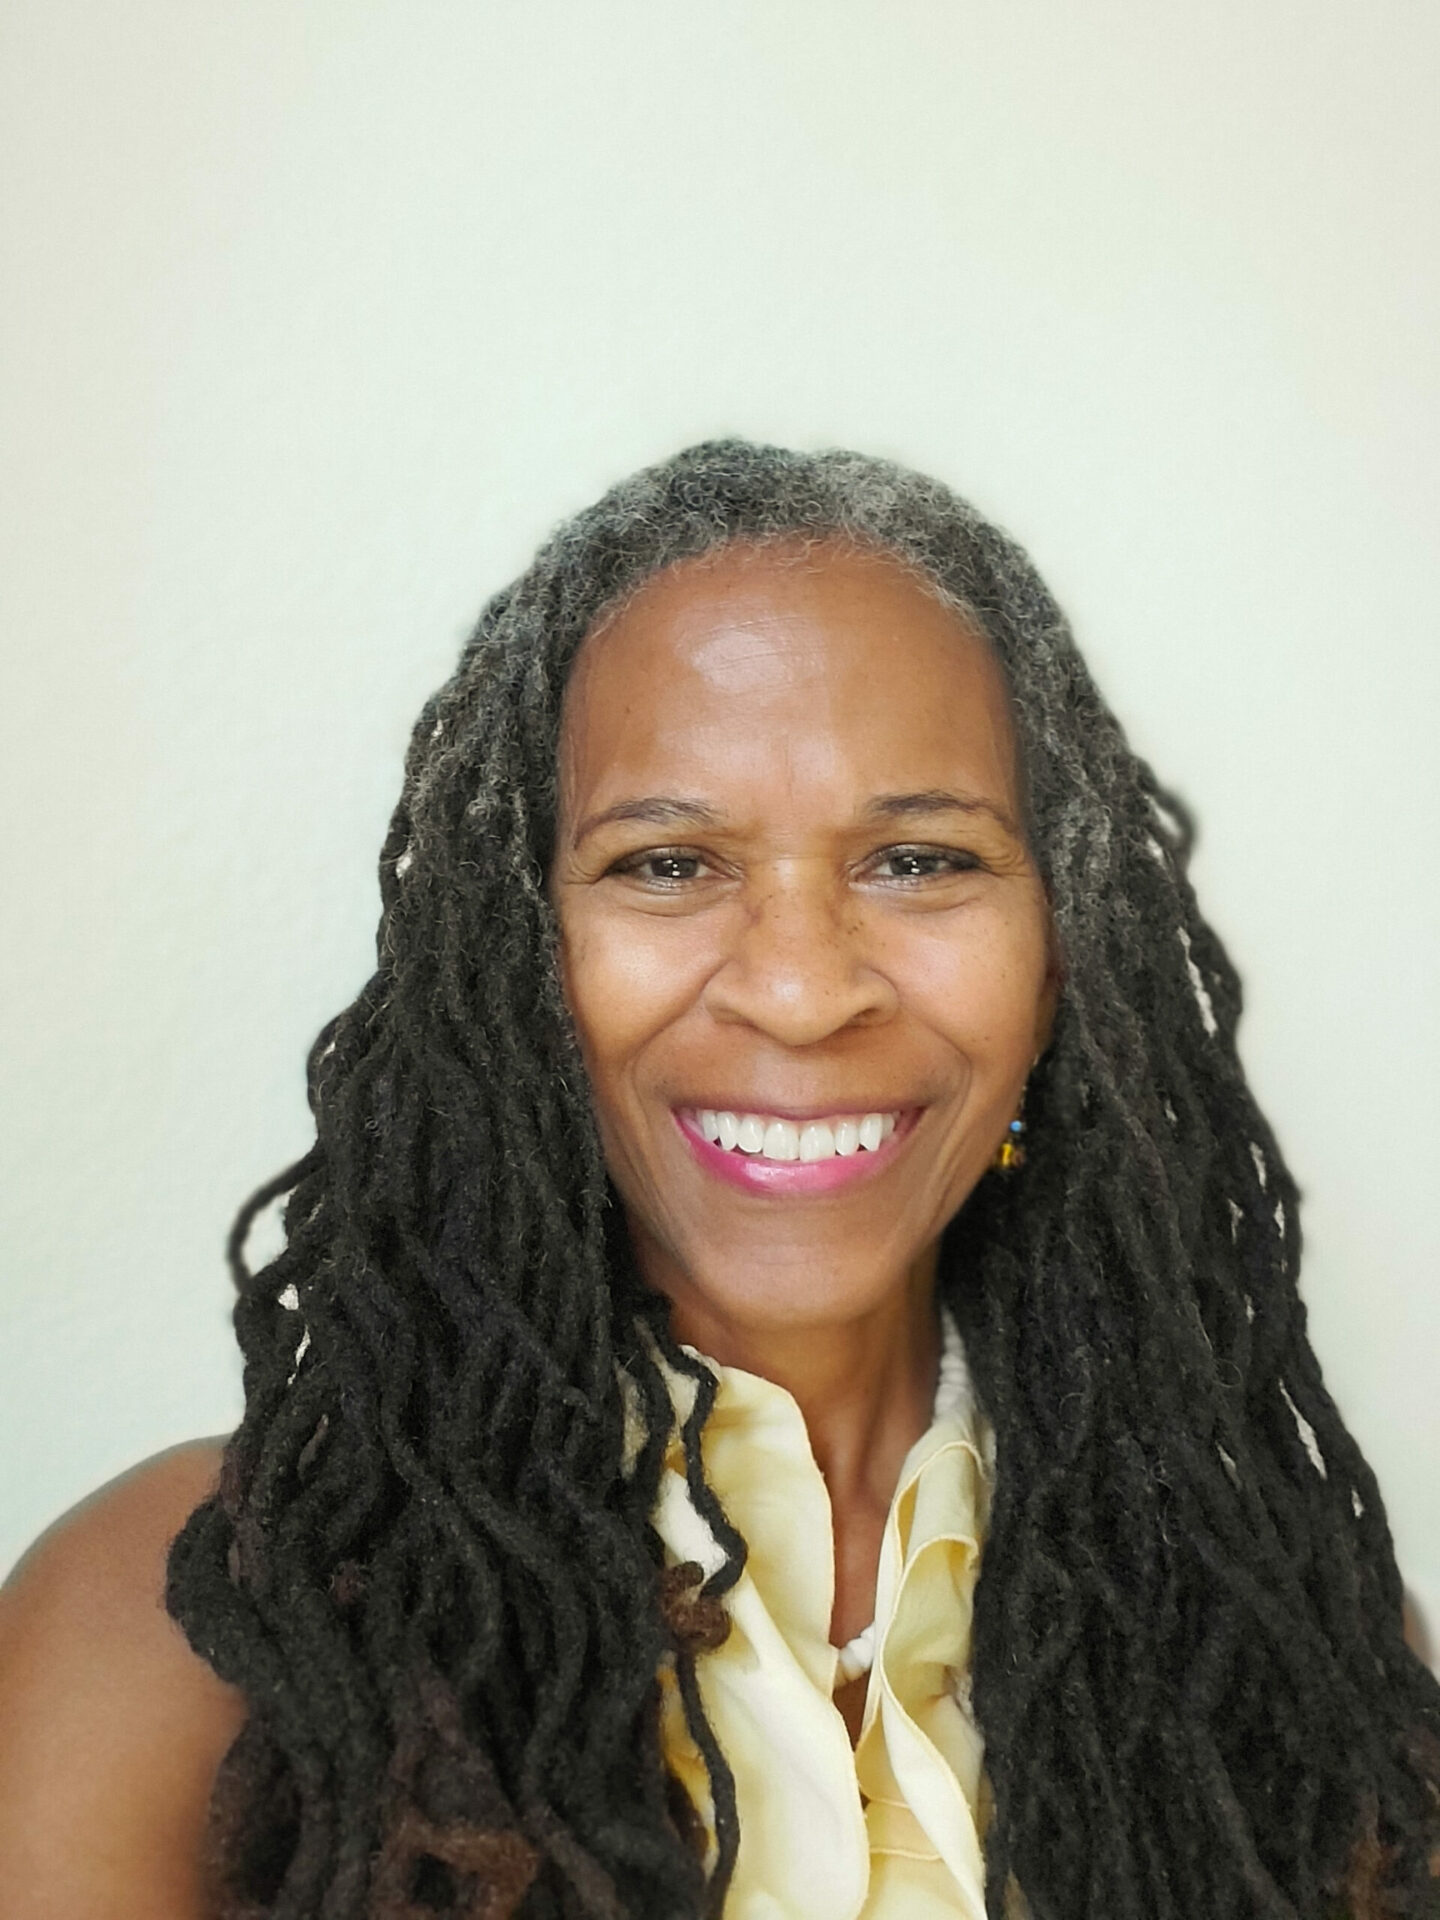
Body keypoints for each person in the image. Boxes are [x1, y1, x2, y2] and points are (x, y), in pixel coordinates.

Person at [1, 440, 1436, 1920]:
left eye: (922, 860)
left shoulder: (1292, 1644)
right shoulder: (173, 1638)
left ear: (1065, 961)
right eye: (669, 865)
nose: (805, 991)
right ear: (517, 963)